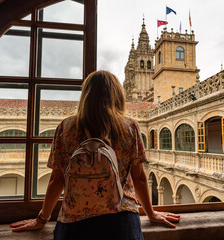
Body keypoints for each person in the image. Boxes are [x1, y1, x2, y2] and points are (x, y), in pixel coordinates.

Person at [10, 70, 180, 239]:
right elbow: (139, 178)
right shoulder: (130, 127)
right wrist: (151, 213)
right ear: (117, 96)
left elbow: (57, 179)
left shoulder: (66, 128)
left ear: (86, 95)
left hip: (74, 222)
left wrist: (42, 219)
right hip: (121, 220)